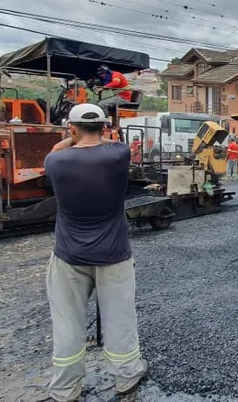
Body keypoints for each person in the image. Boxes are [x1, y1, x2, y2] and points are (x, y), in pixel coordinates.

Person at [42, 103, 149, 401]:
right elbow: (112, 141)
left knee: (66, 322)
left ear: (71, 129)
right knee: (121, 317)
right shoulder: (119, 155)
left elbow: (56, 150)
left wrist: (70, 138)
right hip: (114, 254)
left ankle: (65, 388)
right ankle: (127, 375)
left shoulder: (56, 163)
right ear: (103, 127)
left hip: (68, 255)